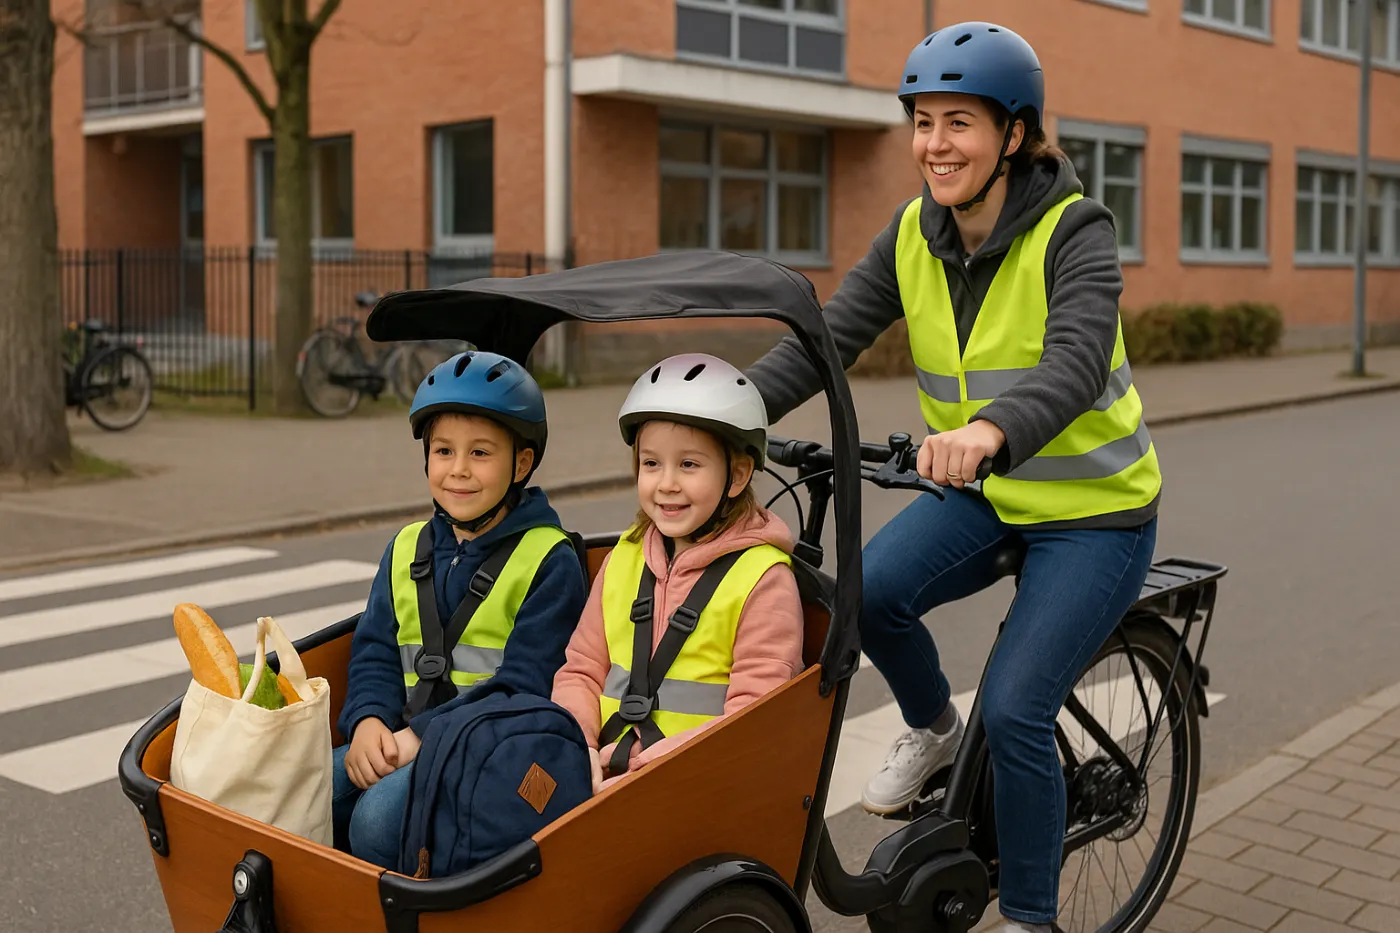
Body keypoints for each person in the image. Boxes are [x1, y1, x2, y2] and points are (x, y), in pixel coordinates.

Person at [743, 22, 1161, 933]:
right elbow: (827, 338)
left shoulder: (1075, 230)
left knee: (1014, 709)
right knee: (865, 595)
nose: (935, 144)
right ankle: (933, 729)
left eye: (959, 122)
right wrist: (718, 412)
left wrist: (990, 428)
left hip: (1095, 513)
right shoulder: (912, 233)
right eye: (923, 122)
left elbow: (1076, 358)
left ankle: (1033, 917)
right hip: (986, 496)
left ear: (1014, 134)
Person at [331, 350, 588, 869]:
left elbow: (524, 685)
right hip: (400, 733)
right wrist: (367, 721)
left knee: (375, 822)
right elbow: (376, 649)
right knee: (298, 794)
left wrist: (419, 737)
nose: (459, 470)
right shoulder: (406, 547)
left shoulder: (548, 559)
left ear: (521, 464)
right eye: (444, 451)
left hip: (486, 750)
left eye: (480, 453)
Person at [552, 353, 805, 793]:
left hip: (697, 783)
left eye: (688, 464)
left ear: (737, 475)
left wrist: (644, 772)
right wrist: (577, 746)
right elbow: (582, 670)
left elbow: (752, 715)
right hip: (602, 769)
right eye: (651, 464)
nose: (666, 483)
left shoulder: (762, 580)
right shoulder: (625, 558)